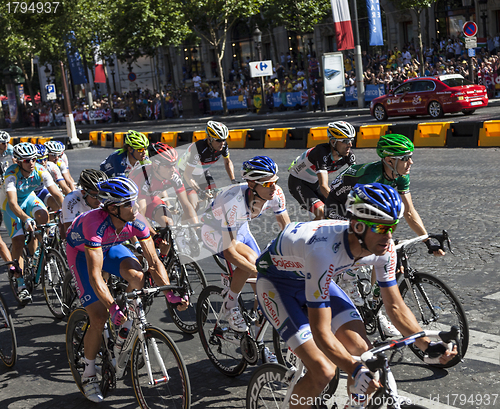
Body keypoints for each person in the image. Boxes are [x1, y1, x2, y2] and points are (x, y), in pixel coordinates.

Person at [255, 183, 457, 409]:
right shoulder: (322, 251)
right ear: (358, 226)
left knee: (366, 355)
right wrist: (352, 368)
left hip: (311, 278)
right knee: (324, 370)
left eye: (393, 226)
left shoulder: (385, 249)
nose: (389, 236)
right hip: (277, 285)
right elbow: (321, 331)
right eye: (381, 228)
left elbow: (396, 307)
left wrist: (427, 346)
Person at [65, 177, 188, 403]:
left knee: (138, 276)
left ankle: (128, 325)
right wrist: (112, 307)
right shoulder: (94, 225)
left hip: (110, 245)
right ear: (113, 208)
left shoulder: (135, 220)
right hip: (82, 253)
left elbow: (154, 262)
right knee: (99, 316)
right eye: (131, 203)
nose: (138, 206)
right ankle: (89, 372)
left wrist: (170, 292)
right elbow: (95, 276)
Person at [324, 134, 445, 336]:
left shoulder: (400, 174)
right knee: (363, 244)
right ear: (390, 160)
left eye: (410, 156)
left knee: (384, 249)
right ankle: (348, 279)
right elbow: (360, 220)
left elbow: (409, 211)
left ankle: (373, 304)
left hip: (363, 206)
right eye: (405, 158)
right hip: (340, 206)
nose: (411, 162)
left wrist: (427, 240)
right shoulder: (370, 178)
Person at [200, 156, 290, 332]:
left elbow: (288, 232)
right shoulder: (233, 201)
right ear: (251, 185)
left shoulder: (276, 193)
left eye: (275, 181)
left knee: (262, 288)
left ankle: (257, 339)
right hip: (213, 231)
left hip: (239, 228)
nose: (273, 187)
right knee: (251, 263)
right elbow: (230, 252)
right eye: (266, 184)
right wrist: (256, 270)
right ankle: (229, 305)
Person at [0, 142, 63, 303]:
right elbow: (13, 203)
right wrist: (26, 218)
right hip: (10, 206)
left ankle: (40, 253)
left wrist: (67, 212)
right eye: (27, 160)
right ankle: (20, 283)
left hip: (29, 199)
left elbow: (56, 194)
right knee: (19, 240)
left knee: (43, 216)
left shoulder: (41, 170)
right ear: (19, 161)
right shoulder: (11, 174)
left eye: (34, 159)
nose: (32, 162)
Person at [288, 121, 356, 220]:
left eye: (351, 140)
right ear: (333, 142)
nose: (350, 145)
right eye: (345, 141)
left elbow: (357, 178)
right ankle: (300, 233)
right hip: (298, 182)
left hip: (315, 183)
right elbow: (324, 186)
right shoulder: (321, 153)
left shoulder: (348, 155)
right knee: (323, 213)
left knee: (334, 214)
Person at [128, 142, 199, 232]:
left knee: (168, 224)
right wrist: (153, 235)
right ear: (155, 166)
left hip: (150, 199)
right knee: (144, 234)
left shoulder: (174, 176)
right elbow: (141, 213)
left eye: (174, 164)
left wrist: (198, 229)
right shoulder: (144, 177)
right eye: (168, 166)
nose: (173, 169)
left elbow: (186, 205)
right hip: (131, 203)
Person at [177, 121, 237, 211]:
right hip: (186, 174)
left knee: (217, 198)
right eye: (219, 140)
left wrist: (233, 180)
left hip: (202, 173)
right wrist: (199, 191)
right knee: (194, 206)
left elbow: (227, 162)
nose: (222, 143)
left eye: (224, 139)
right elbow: (187, 174)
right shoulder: (199, 148)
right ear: (209, 138)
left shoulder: (223, 146)